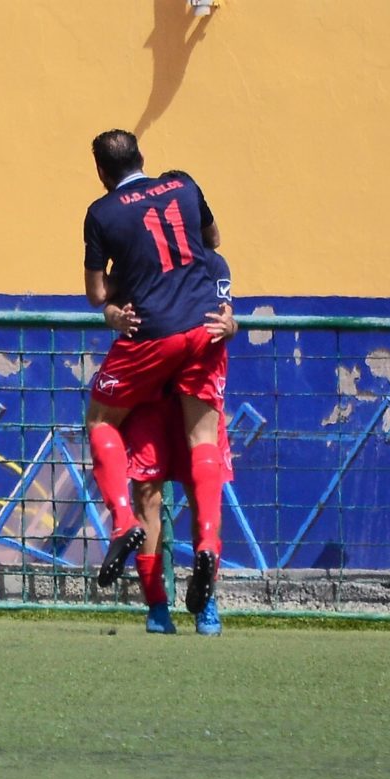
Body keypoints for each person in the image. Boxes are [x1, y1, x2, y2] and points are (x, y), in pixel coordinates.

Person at [82, 131, 229, 616]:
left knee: (100, 419)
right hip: (203, 328)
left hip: (153, 334)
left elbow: (97, 295)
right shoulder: (184, 187)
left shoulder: (102, 213)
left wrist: (126, 283)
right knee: (203, 442)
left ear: (102, 172)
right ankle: (206, 545)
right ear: (142, 156)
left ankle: (122, 522)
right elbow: (212, 241)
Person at [104, 201, 237, 636]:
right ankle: (157, 606)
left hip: (192, 392)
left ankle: (205, 603)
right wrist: (116, 317)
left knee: (202, 492)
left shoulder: (212, 264)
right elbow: (109, 306)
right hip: (150, 397)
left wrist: (231, 326)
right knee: (148, 493)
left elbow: (225, 317)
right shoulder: (138, 256)